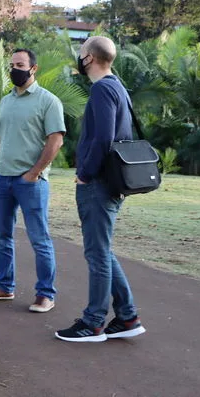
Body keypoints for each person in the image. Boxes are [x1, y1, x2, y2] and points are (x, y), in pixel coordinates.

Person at [56, 36, 146, 343]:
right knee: (103, 251)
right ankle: (127, 316)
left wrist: (84, 173)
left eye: (81, 54)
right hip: (115, 180)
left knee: (97, 254)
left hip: (99, 183)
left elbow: (102, 138)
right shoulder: (118, 86)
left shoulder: (102, 90)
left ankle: (93, 322)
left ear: (90, 58)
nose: (79, 60)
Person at [0, 48, 64, 313]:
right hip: (2, 179)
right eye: (12, 65)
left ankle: (46, 294)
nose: (15, 69)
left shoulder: (49, 101)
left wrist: (34, 173)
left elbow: (56, 140)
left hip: (31, 183)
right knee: (1, 236)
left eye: (20, 65)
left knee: (39, 239)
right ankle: (4, 286)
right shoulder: (6, 101)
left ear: (33, 68)